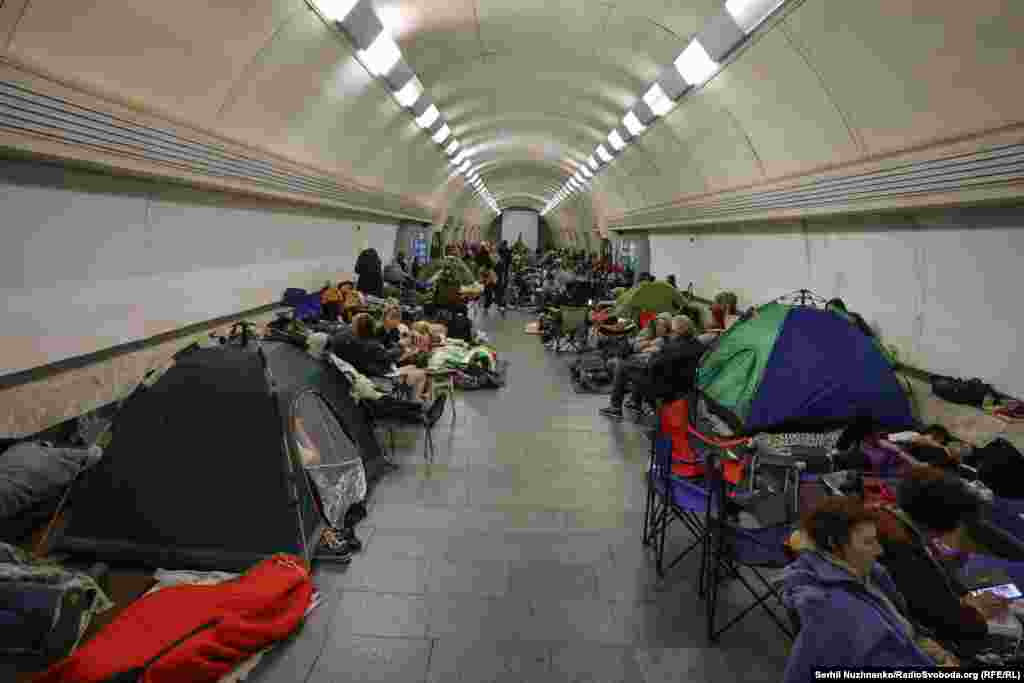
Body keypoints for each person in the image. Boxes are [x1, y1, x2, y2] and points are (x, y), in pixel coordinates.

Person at [781, 497, 955, 682]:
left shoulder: (864, 574)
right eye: (868, 542)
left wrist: (935, 652)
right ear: (834, 544)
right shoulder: (836, 608)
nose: (879, 550)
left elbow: (905, 631)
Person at [873, 466, 1009, 652]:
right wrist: (977, 611)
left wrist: (964, 600)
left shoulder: (888, 521)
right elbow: (944, 620)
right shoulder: (903, 552)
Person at [599, 316, 672, 419]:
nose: (658, 327)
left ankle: (616, 406)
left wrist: (647, 347)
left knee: (621, 365)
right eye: (657, 325)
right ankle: (634, 401)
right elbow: (638, 348)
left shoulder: (665, 340)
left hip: (656, 376)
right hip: (650, 370)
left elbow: (650, 354)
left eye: (662, 325)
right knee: (623, 363)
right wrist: (647, 344)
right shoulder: (654, 336)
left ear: (668, 327)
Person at [496, 240, 512, 311]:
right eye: (503, 245)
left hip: (504, 272)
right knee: (500, 288)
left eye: (505, 245)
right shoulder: (499, 251)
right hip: (500, 272)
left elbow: (509, 263)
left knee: (504, 287)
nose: (504, 246)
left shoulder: (507, 252)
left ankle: (504, 303)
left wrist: (509, 272)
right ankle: (500, 304)